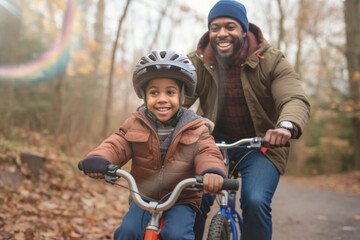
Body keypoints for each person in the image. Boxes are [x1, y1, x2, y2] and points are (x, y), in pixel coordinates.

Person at [183, 1, 311, 239]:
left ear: (243, 30)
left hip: (262, 144)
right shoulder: (197, 62)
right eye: (215, 27)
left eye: (230, 26)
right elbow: (176, 101)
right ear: (209, 32)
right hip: (211, 146)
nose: (222, 33)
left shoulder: (271, 60)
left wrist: (285, 126)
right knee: (194, 197)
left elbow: (293, 97)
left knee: (254, 200)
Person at [78, 50, 227, 240]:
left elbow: (208, 152)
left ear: (182, 98)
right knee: (127, 232)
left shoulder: (196, 128)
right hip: (143, 197)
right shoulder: (135, 123)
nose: (162, 98)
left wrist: (212, 171)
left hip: (182, 199)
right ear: (144, 96)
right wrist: (99, 158)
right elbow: (117, 144)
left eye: (170, 92)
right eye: (154, 92)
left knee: (177, 235)